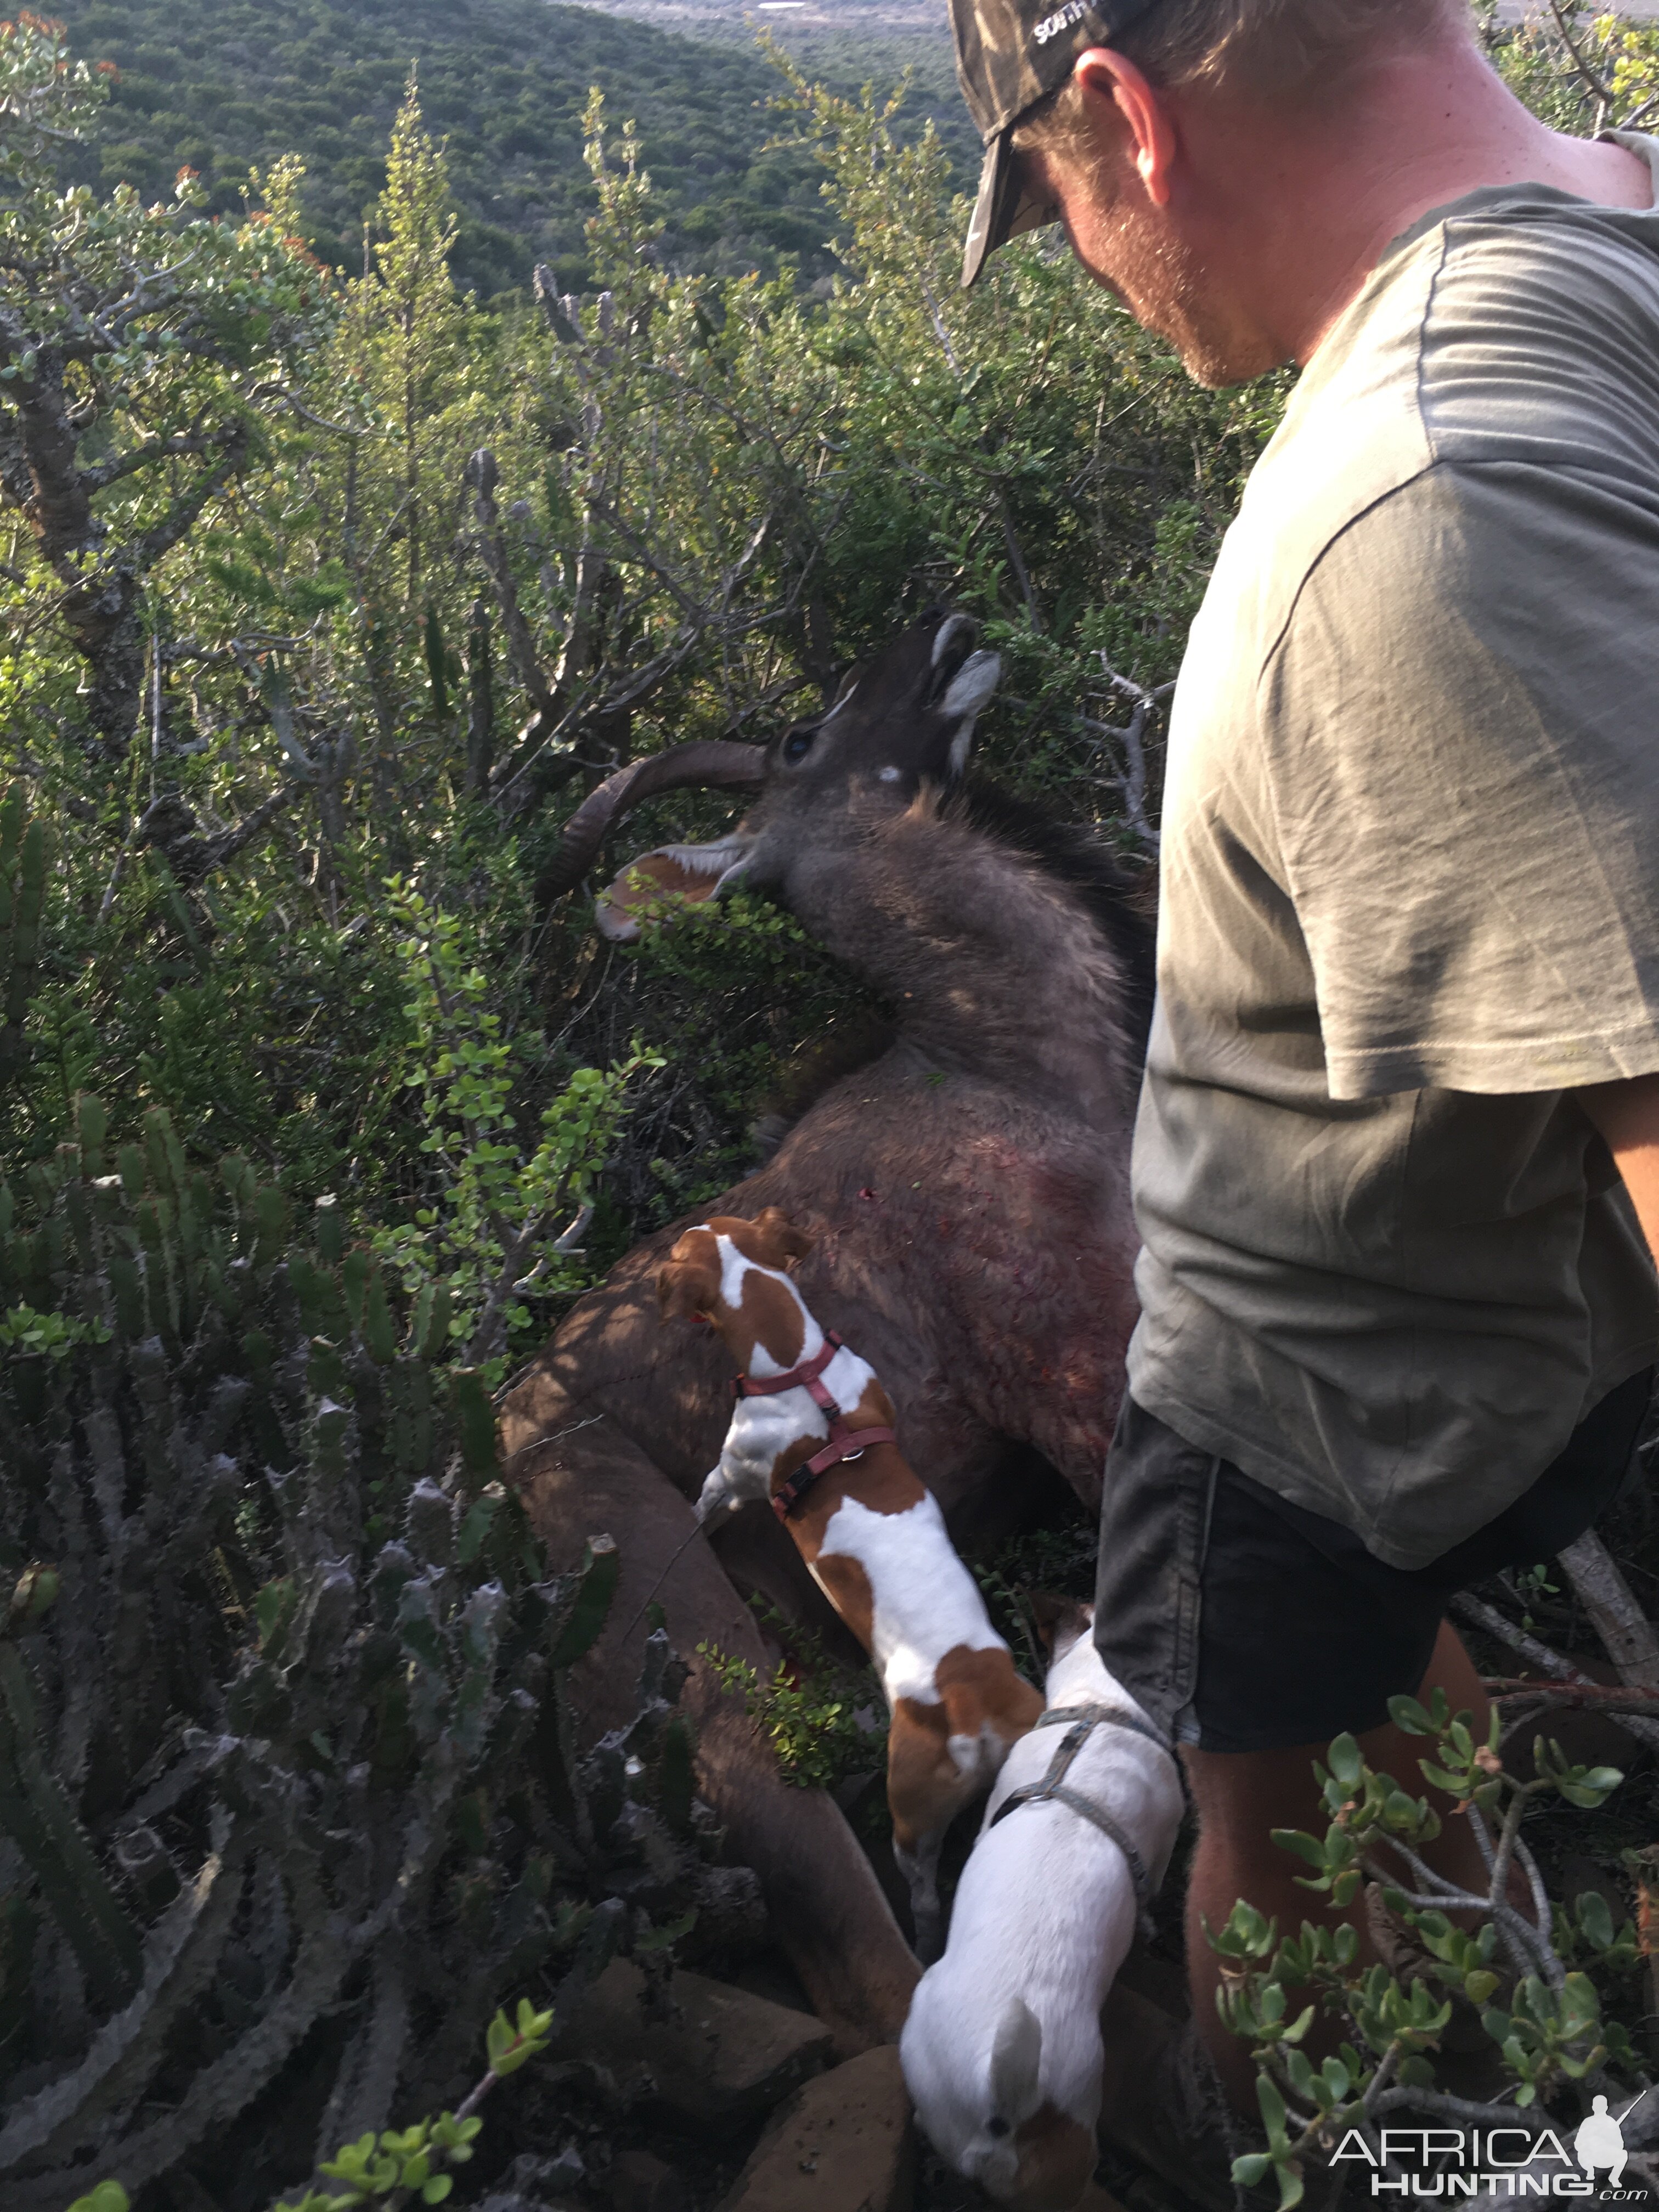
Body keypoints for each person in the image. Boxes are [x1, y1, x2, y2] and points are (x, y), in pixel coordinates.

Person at [947, 0, 1659, 2130]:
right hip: (1519, 1320)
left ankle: (1376, 2168)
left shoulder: (1420, 504)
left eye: (1050, 205)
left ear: (1129, 128)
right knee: (1375, 1700)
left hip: (1307, 1395)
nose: (1083, 267)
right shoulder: (1612, 237)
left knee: (1279, 1902)